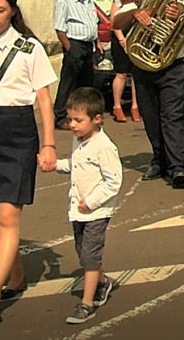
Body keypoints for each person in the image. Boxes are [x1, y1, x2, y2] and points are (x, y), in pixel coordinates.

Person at [0, 0, 58, 316]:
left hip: (18, 133)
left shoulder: (29, 47)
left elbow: (45, 101)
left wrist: (48, 144)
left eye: (0, 10)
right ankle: (17, 277)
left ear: (13, 12)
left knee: (9, 215)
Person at [111, 0, 184, 189]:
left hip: (171, 66)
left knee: (172, 116)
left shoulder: (178, 0)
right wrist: (134, 15)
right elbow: (116, 22)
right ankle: (159, 160)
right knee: (151, 117)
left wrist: (179, 17)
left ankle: (178, 166)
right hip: (143, 66)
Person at [50, 87, 122, 324]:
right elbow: (76, 164)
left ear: (97, 119)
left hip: (96, 212)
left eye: (78, 120)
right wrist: (57, 165)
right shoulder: (78, 140)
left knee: (90, 256)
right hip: (78, 210)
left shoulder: (104, 147)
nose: (72, 125)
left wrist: (91, 203)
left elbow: (114, 182)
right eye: (70, 119)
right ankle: (103, 282)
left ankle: (86, 303)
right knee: (82, 252)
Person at [53, 0, 102, 130]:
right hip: (74, 45)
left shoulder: (88, 0)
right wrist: (70, 48)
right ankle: (60, 117)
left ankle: (85, 115)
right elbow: (60, 28)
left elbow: (93, 22)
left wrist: (97, 43)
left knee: (86, 84)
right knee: (68, 82)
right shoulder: (65, 1)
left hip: (88, 47)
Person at [109, 0, 141, 123]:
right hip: (121, 38)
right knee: (122, 73)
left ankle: (135, 107)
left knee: (136, 74)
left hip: (137, 38)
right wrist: (122, 41)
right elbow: (114, 21)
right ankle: (117, 107)